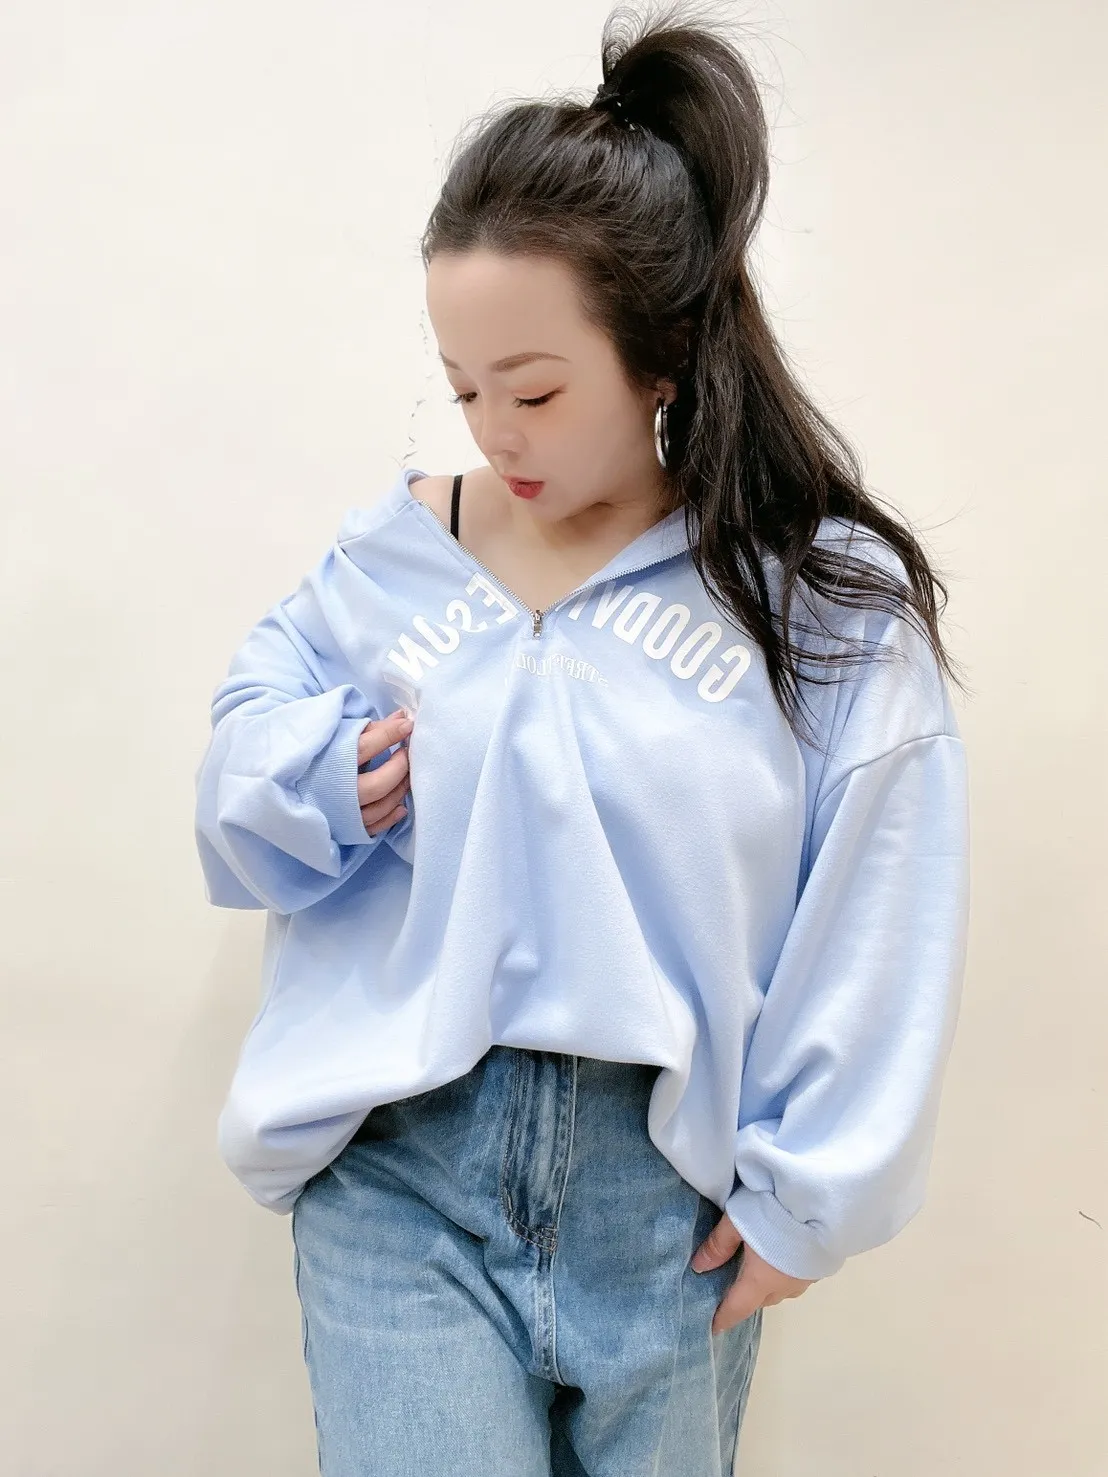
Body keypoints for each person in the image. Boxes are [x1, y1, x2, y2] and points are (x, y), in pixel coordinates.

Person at [192, 6, 971, 1474]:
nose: (497, 434)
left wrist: (810, 1197)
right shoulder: (392, 560)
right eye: (464, 387)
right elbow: (238, 767)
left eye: (536, 390)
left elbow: (882, 892)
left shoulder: (815, 604)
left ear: (660, 357)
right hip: (403, 1175)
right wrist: (321, 779)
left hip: (665, 1195)